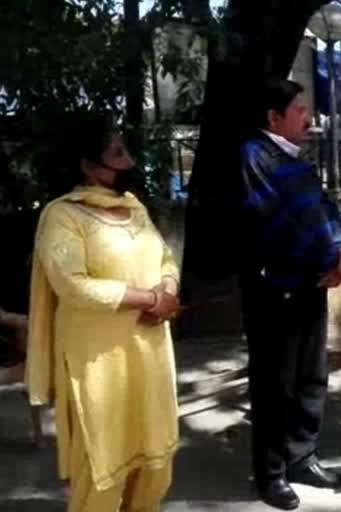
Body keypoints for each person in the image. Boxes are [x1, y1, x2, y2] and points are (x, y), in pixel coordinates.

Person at [25, 115, 181, 512]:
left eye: (125, 150)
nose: (129, 160)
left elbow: (164, 257)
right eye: (117, 153)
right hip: (96, 363)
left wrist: (167, 288)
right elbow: (73, 285)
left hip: (149, 356)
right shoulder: (62, 216)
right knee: (102, 473)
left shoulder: (135, 208)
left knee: (155, 469)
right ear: (88, 165)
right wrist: (148, 299)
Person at [238, 79, 341, 510]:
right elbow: (277, 223)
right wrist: (330, 257)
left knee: (310, 377)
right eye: (299, 109)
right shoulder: (252, 157)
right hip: (276, 292)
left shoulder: (296, 160)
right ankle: (271, 474)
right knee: (274, 385)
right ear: (273, 118)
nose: (307, 116)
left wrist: (339, 249)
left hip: (310, 286)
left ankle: (302, 456)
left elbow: (327, 209)